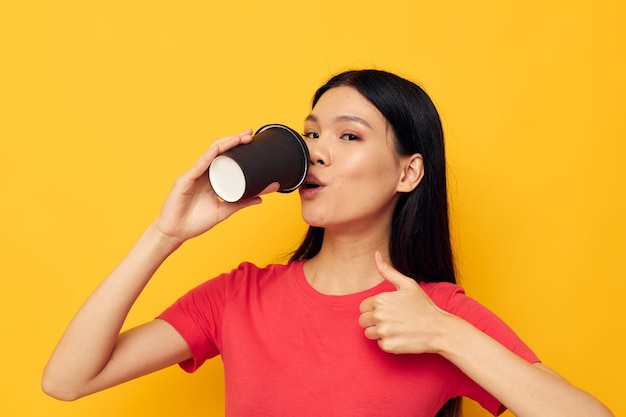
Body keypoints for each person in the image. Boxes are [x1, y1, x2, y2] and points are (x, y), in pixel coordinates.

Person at [42, 69, 614, 417]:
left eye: (348, 135)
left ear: (408, 173)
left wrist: (444, 334)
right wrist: (165, 233)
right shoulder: (238, 298)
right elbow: (67, 380)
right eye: (311, 132)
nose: (316, 150)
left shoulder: (436, 316)